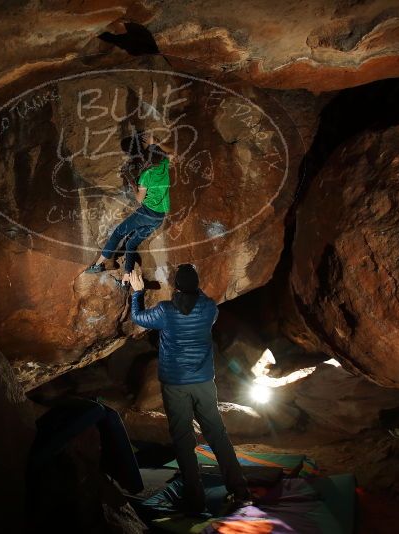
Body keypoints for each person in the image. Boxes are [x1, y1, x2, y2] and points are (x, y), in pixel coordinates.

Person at [128, 265, 251, 515]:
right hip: (204, 382)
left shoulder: (166, 311)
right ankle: (240, 491)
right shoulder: (209, 308)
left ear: (176, 286)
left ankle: (195, 500)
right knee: (217, 434)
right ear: (197, 285)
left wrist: (137, 292)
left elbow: (138, 318)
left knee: (183, 439)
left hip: (175, 384)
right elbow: (206, 306)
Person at [84, 132, 174, 285]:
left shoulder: (146, 175)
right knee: (132, 243)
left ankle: (98, 265)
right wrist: (156, 140)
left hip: (146, 213)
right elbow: (172, 152)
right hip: (159, 217)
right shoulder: (165, 165)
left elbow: (139, 199)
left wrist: (131, 180)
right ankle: (126, 279)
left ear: (147, 159)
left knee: (118, 233)